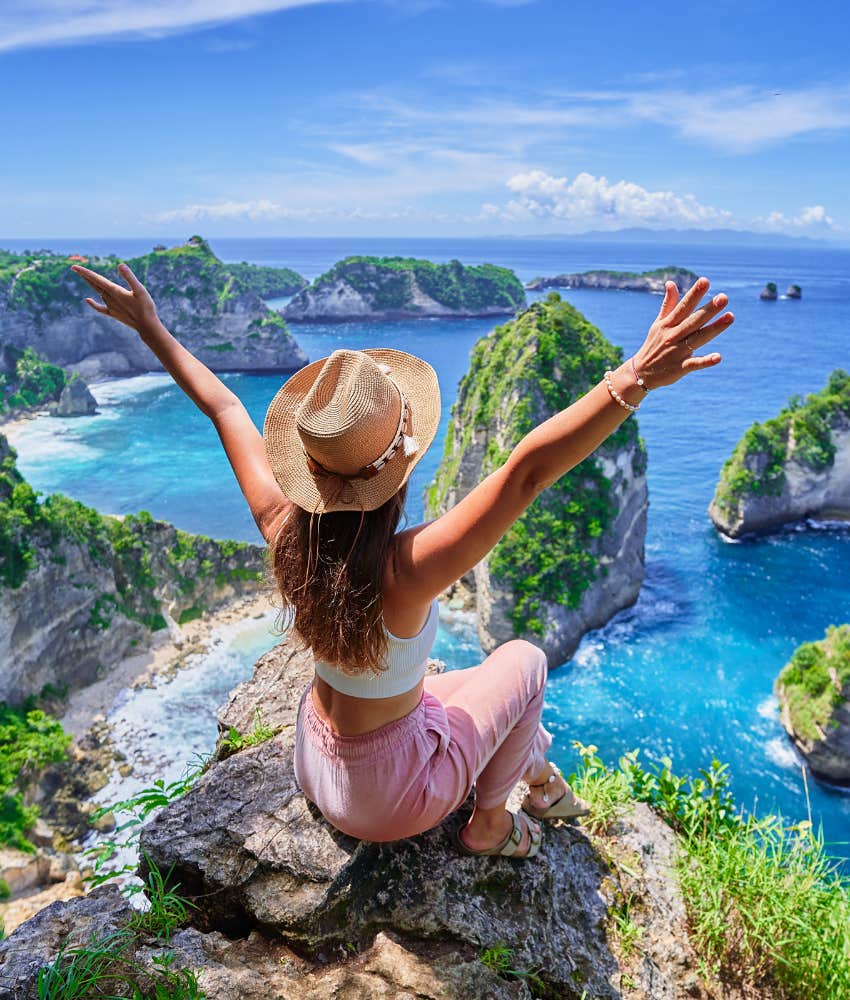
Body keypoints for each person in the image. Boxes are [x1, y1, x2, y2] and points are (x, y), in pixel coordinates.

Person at [72, 261, 733, 859]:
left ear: (308, 468)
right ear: (397, 470)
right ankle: (491, 825)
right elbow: (527, 473)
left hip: (316, 763)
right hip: (390, 801)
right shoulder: (407, 569)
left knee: (476, 696)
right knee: (525, 662)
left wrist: (151, 327)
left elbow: (222, 407)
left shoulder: (284, 532)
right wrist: (634, 375)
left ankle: (537, 773)